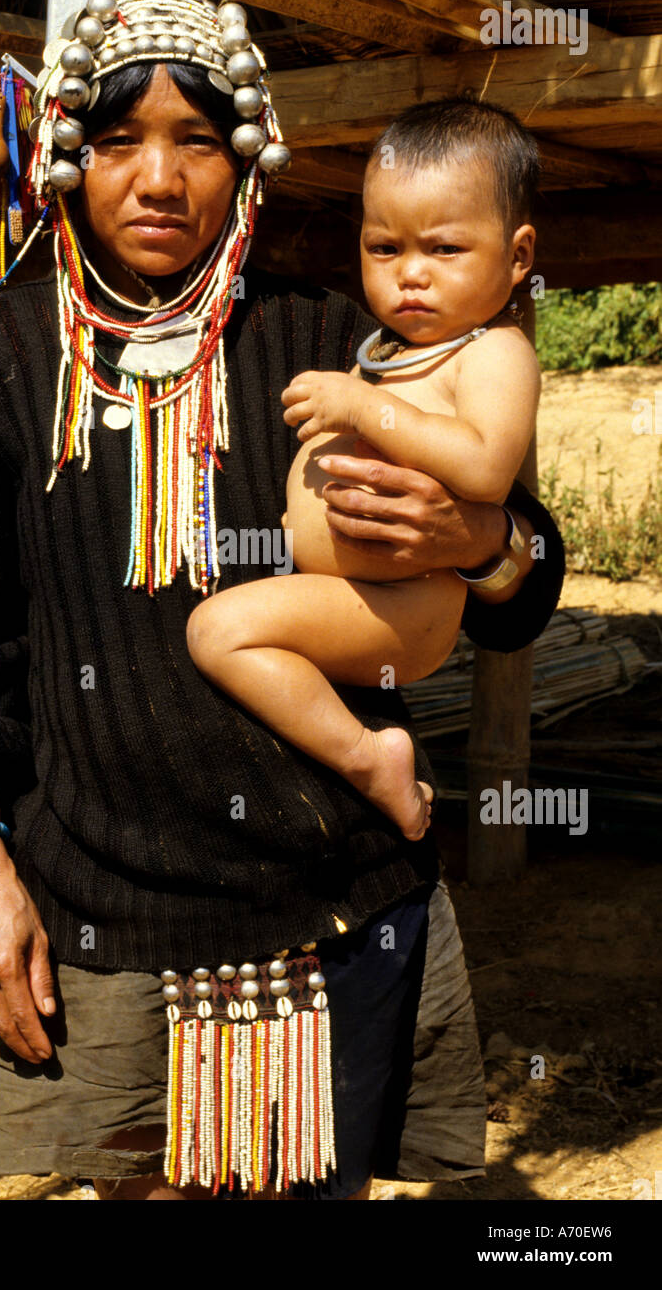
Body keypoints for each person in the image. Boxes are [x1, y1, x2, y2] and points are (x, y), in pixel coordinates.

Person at [0, 0, 564, 1202]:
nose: (157, 178)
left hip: (332, 908)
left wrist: (479, 537)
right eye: (116, 140)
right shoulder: (1, 359)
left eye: (194, 139)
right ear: (63, 158)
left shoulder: (323, 337)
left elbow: (519, 585)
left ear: (244, 153)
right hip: (101, 915)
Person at [186, 97, 541, 842]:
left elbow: (482, 470)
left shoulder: (492, 352)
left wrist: (362, 409)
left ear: (517, 258)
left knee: (219, 632)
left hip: (406, 603)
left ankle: (366, 757)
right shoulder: (391, 348)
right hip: (360, 591)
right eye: (384, 249)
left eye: (443, 251)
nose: (410, 275)